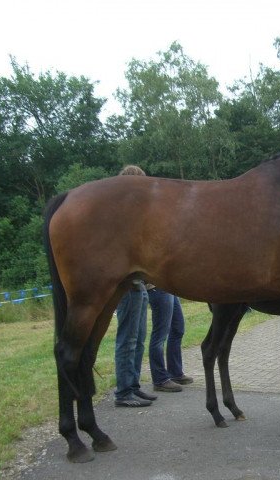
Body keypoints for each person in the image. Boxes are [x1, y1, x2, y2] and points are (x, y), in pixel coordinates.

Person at [113, 165, 157, 407]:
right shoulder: (122, 220)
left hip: (139, 286)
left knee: (139, 339)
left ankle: (134, 386)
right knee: (127, 339)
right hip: (128, 288)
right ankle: (123, 391)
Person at [147, 287, 194, 392]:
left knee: (178, 329)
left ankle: (175, 372)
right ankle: (160, 380)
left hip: (169, 287)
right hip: (157, 287)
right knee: (160, 334)